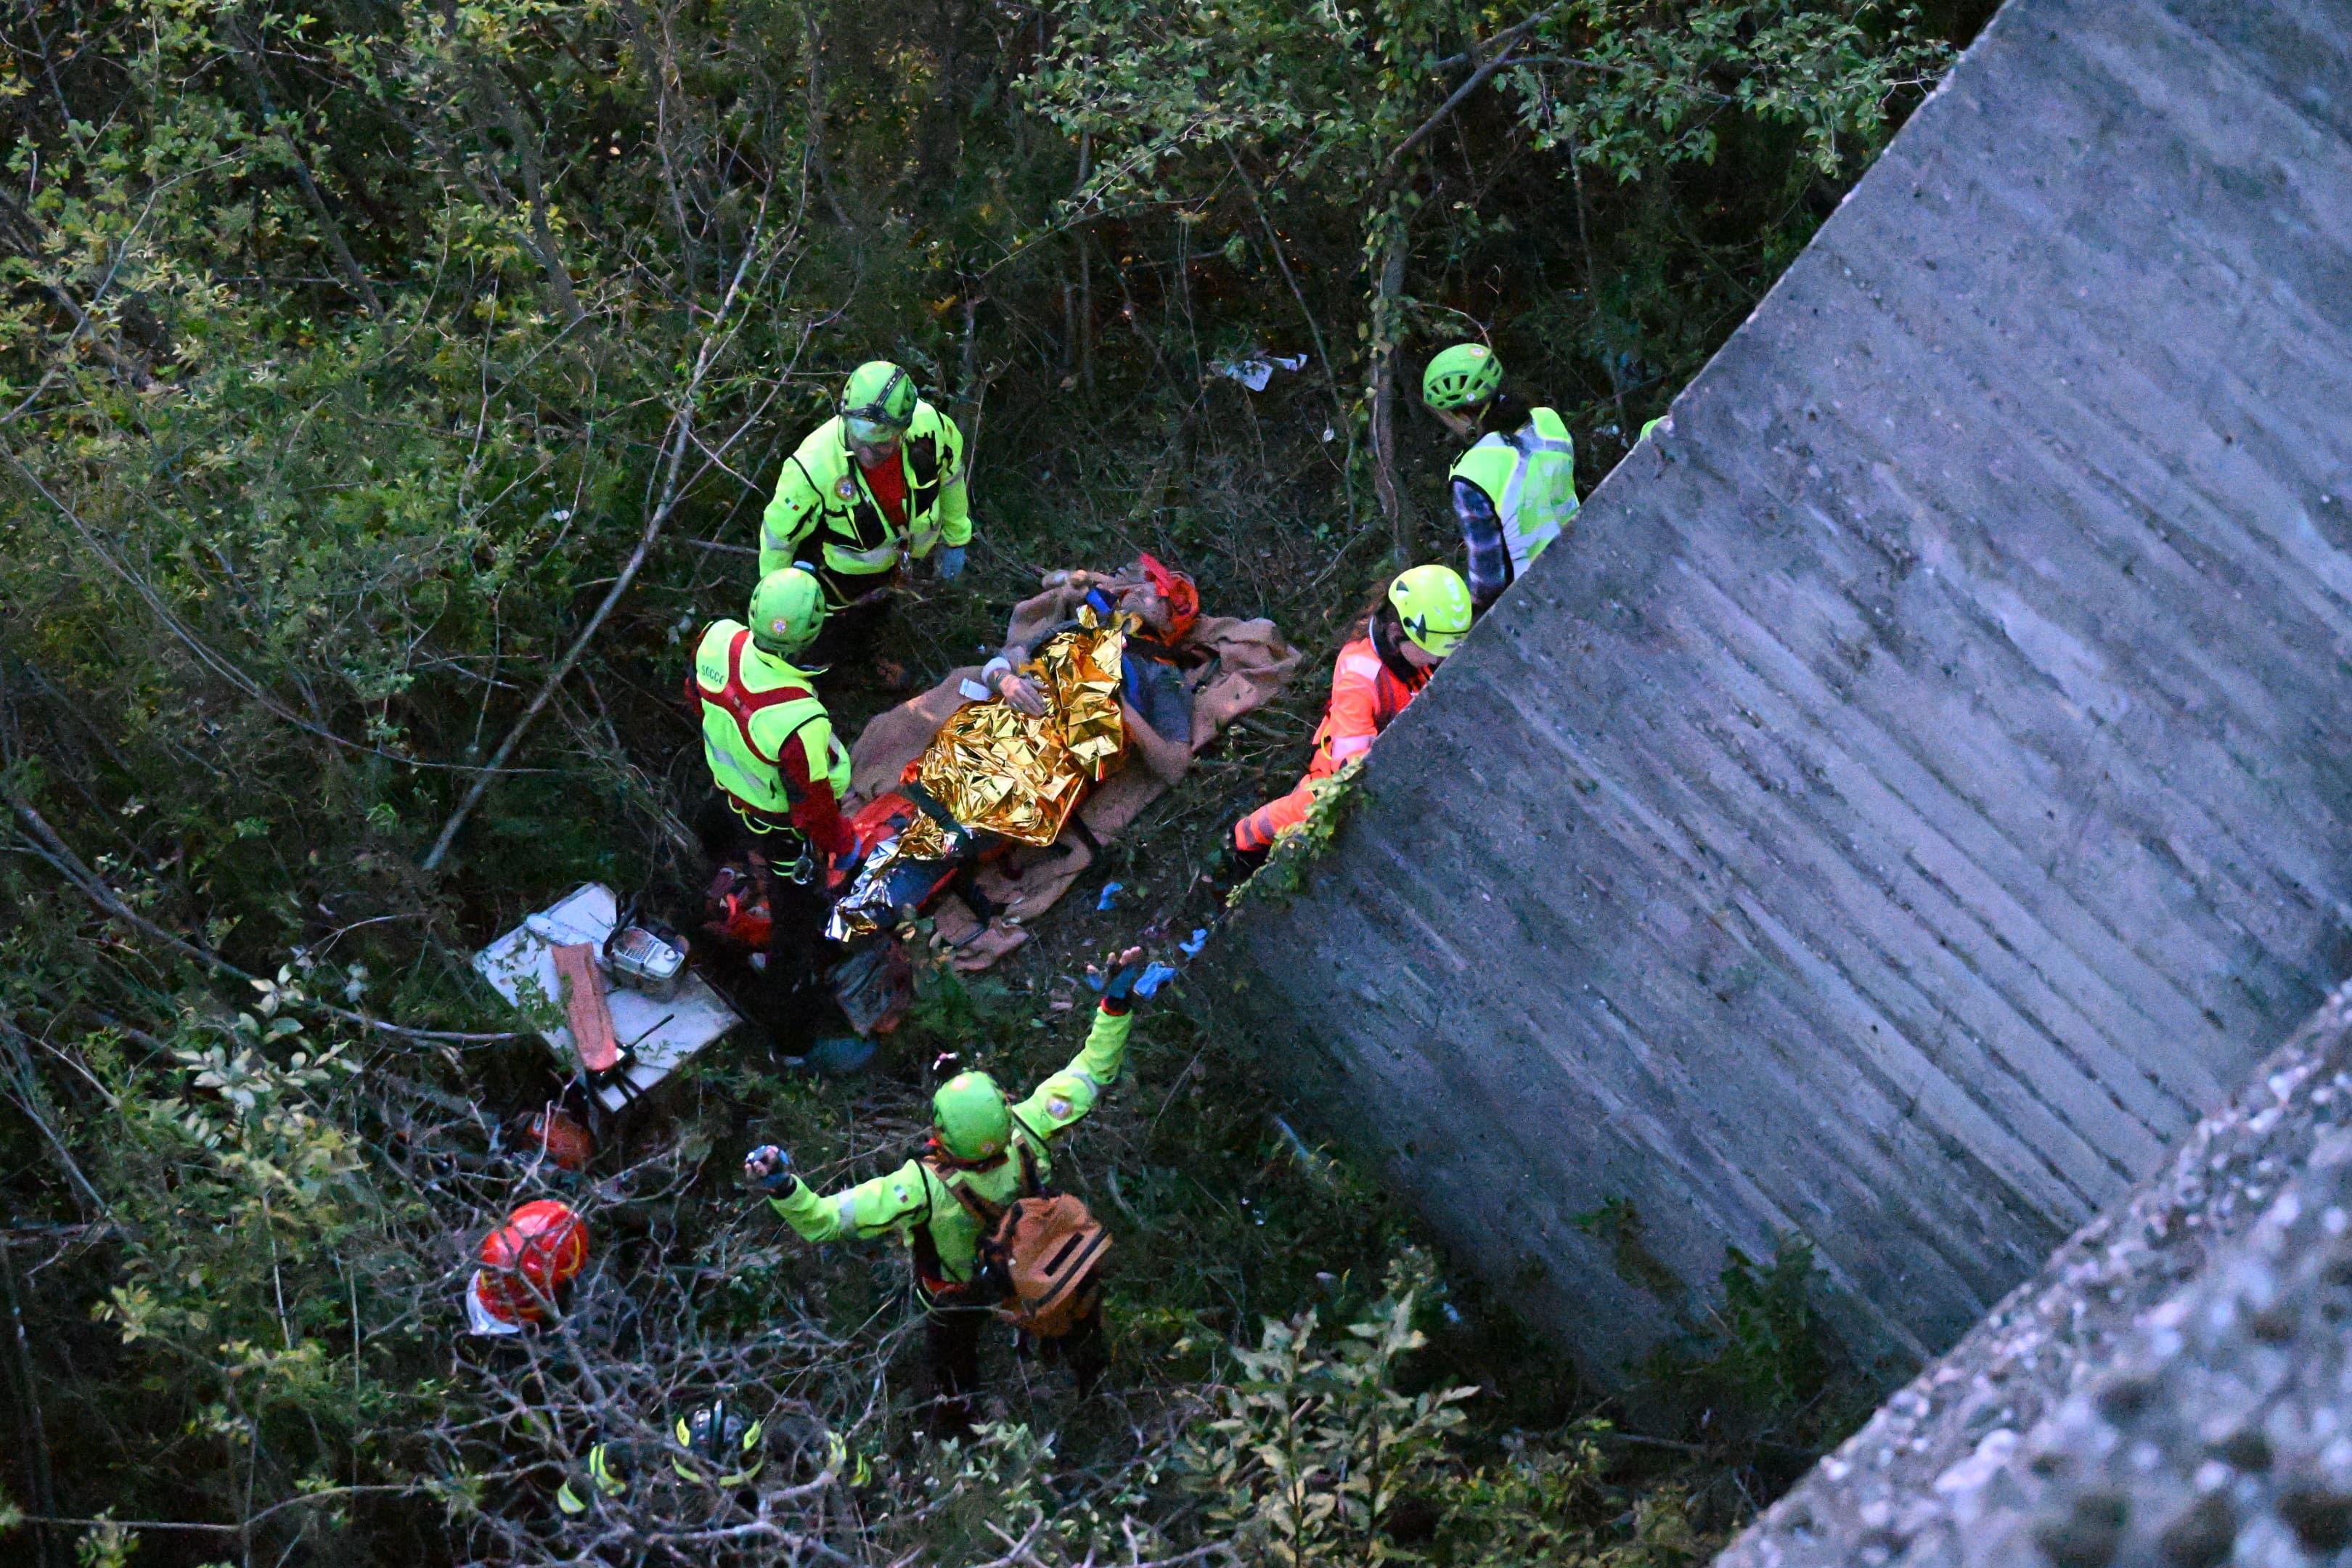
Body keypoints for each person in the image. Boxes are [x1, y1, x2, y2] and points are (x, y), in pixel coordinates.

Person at [743, 947, 1148, 1435]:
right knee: (1074, 1320)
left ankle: (959, 1426)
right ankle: (1093, 1385)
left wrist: (785, 1186)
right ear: (1005, 1108)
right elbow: (1093, 1071)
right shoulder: (1031, 1128)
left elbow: (826, 1220)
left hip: (960, 1295)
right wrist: (1114, 1006)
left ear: (940, 1134)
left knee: (952, 1364)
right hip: (1038, 1264)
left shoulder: (919, 1188)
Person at [687, 567, 855, 1046]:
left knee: (714, 830)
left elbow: (694, 696)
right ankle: (790, 1038)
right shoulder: (800, 718)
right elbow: (813, 806)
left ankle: (706, 895)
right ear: (813, 633)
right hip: (775, 826)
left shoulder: (715, 640)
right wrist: (843, 844)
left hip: (728, 791)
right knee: (796, 927)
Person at [1230, 565, 1471, 857]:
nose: (1438, 657)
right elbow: (1351, 771)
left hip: (1388, 737)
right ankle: (1243, 841)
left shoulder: (1408, 655)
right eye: (1434, 649)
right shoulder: (1360, 681)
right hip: (1337, 762)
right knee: (1314, 805)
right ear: (1397, 633)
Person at [759, 360, 974, 665]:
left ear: (904, 428)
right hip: (843, 577)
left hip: (904, 561)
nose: (867, 453)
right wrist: (777, 607)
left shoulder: (932, 430)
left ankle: (870, 657)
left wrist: (956, 538)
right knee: (832, 638)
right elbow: (778, 538)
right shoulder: (812, 466)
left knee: (875, 622)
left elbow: (951, 479)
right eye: (858, 438)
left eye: (881, 443)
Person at [981, 552, 1204, 785]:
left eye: (1161, 597)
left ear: (1168, 626)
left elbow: (1175, 767)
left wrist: (1121, 708)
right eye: (1152, 583)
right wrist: (1005, 680)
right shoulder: (1094, 618)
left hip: (1036, 769)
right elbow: (1013, 654)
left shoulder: (1161, 674)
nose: (1146, 590)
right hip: (994, 726)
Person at [1421, 343, 1578, 613]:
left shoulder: (1470, 474)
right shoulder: (1548, 420)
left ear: (1463, 414)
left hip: (1539, 598)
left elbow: (1488, 582)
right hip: (1586, 550)